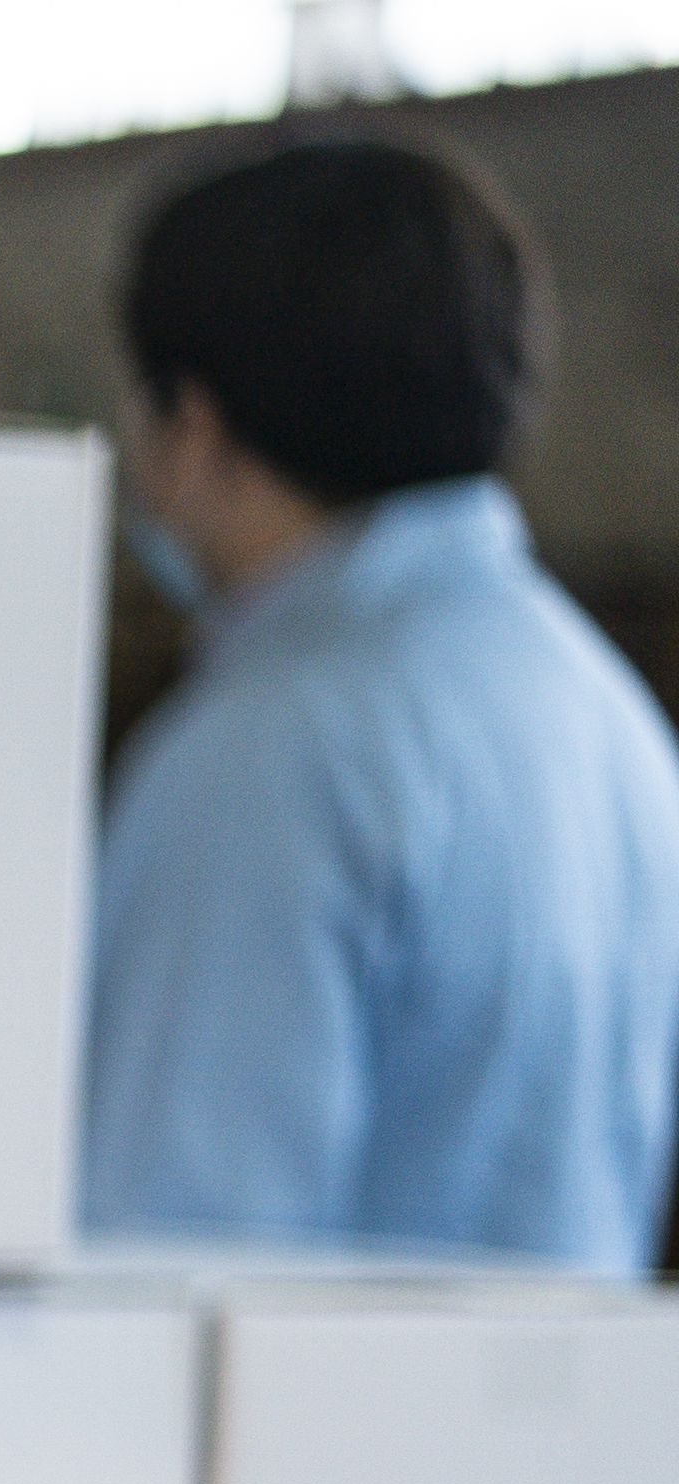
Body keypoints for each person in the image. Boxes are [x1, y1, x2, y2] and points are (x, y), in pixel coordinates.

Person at [84, 132, 679, 1272]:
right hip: (570, 1442)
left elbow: (169, 1261)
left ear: (195, 429)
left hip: (313, 1450)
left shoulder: (272, 755)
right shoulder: (608, 715)